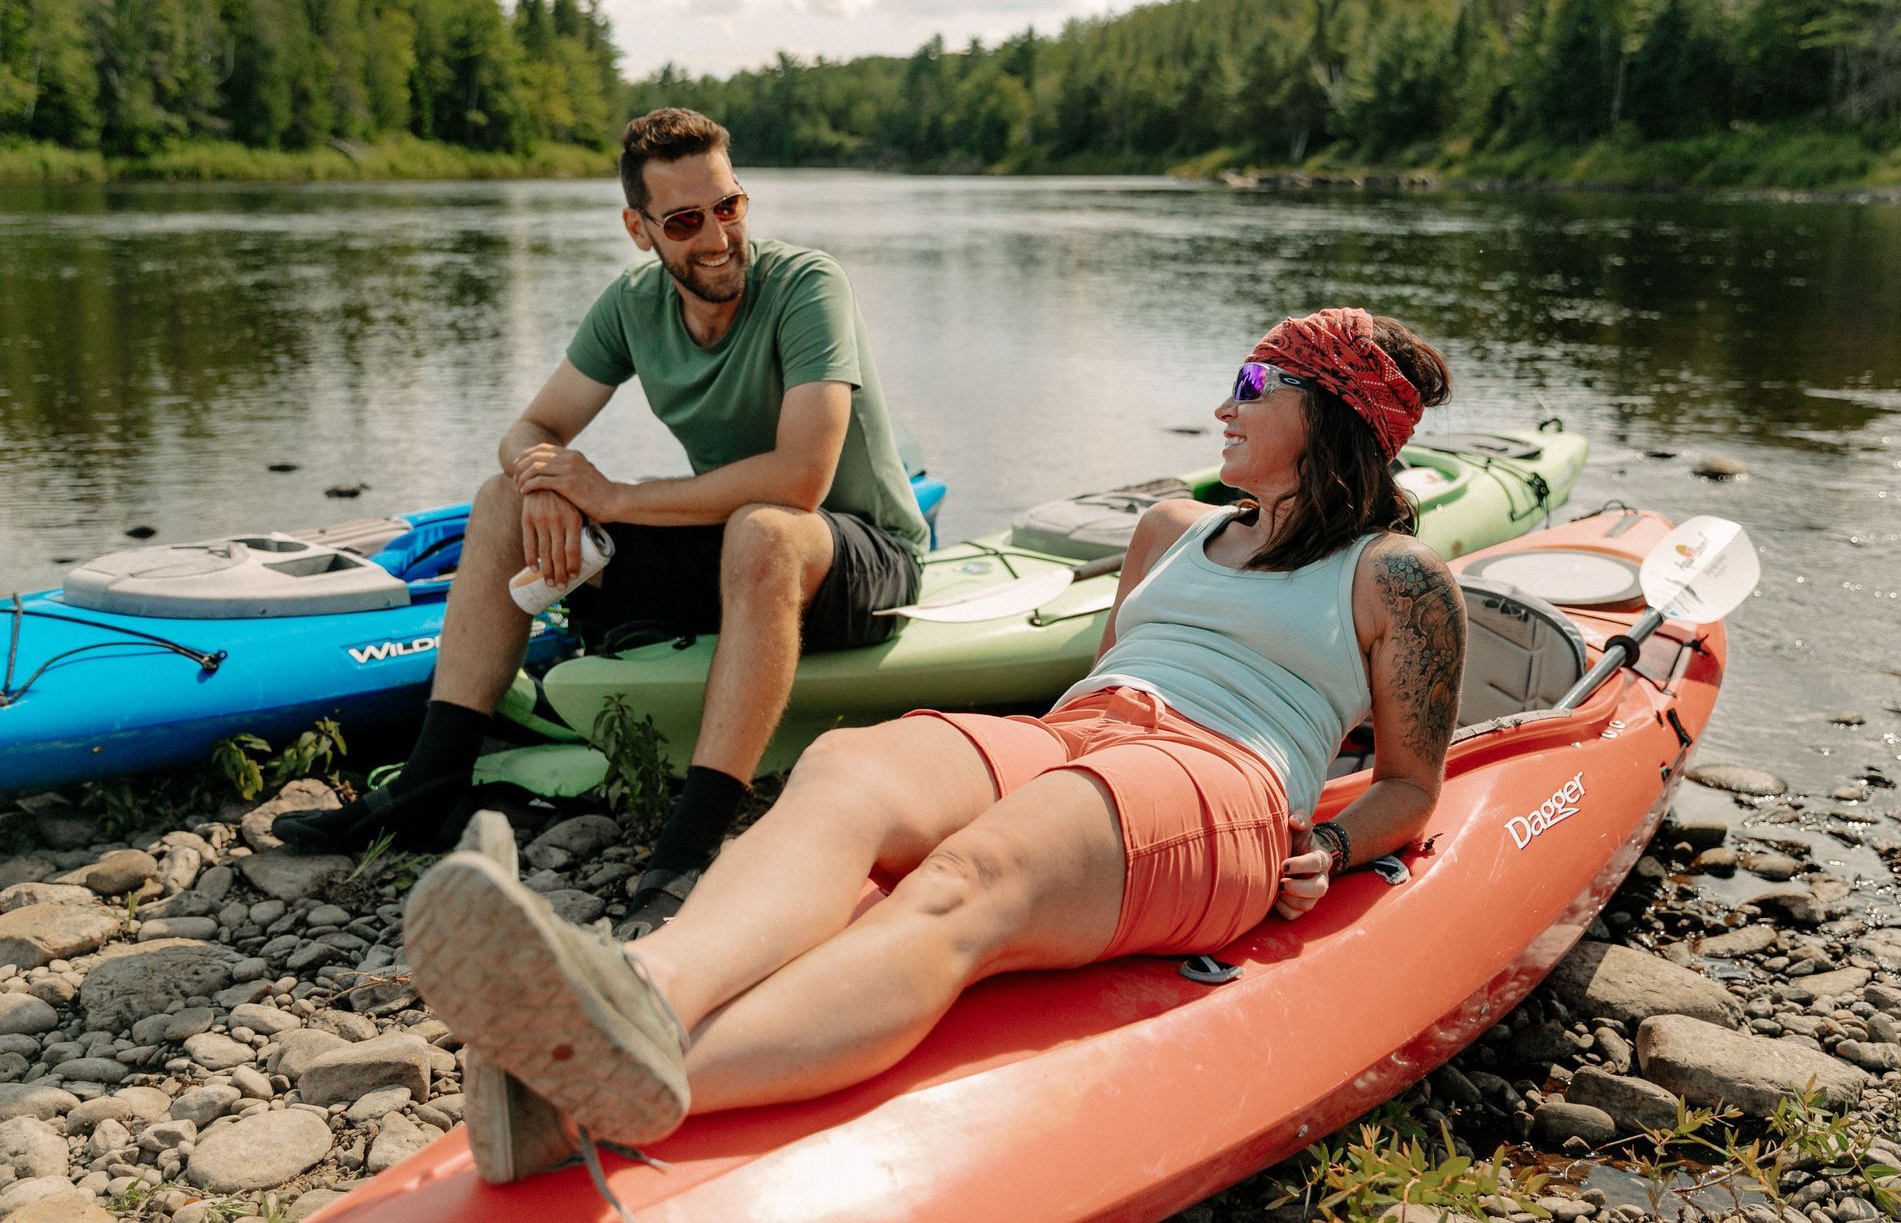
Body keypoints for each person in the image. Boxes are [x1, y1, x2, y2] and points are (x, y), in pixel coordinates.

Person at [402, 307, 1467, 1171]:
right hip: (1087, 730)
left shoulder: (1398, 576)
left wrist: (1330, 845)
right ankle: (641, 990)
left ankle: (624, 1084)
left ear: (1327, 414)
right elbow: (1102, 678)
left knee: (973, 876)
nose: (1220, 408)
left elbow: (1412, 785)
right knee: (846, 767)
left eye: (1249, 385)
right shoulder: (1169, 529)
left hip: (1222, 774)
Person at [276, 108, 930, 943]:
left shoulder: (807, 286)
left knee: (765, 529)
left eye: (729, 207)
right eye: (686, 220)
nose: (718, 236)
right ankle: (430, 785)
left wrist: (614, 497)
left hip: (860, 551)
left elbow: (802, 479)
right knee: (499, 499)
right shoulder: (632, 306)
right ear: (640, 230)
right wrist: (541, 479)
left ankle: (692, 842)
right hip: (738, 544)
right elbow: (528, 428)